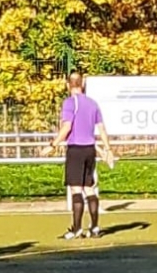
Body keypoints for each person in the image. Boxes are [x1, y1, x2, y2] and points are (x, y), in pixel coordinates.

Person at [48, 71, 114, 240]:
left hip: (76, 149)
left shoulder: (70, 103)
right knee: (89, 188)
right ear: (82, 84)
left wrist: (53, 145)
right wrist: (107, 149)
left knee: (76, 189)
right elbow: (102, 129)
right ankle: (95, 227)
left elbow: (67, 127)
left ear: (67, 85)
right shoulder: (93, 103)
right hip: (90, 150)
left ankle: (77, 228)